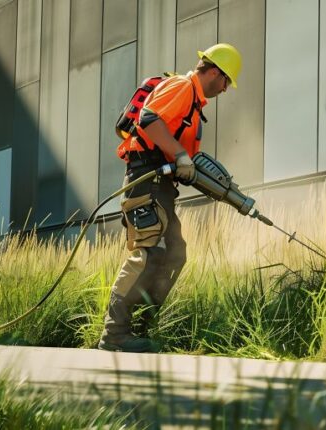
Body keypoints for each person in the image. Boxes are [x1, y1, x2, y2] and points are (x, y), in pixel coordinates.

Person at [98, 43, 242, 352]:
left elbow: (182, 157)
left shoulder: (194, 107)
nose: (226, 89)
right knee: (149, 252)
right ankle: (114, 334)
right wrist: (179, 154)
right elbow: (148, 118)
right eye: (227, 81)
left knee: (175, 253)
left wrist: (195, 170)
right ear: (215, 72)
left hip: (161, 184)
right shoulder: (182, 86)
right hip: (144, 180)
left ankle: (139, 328)